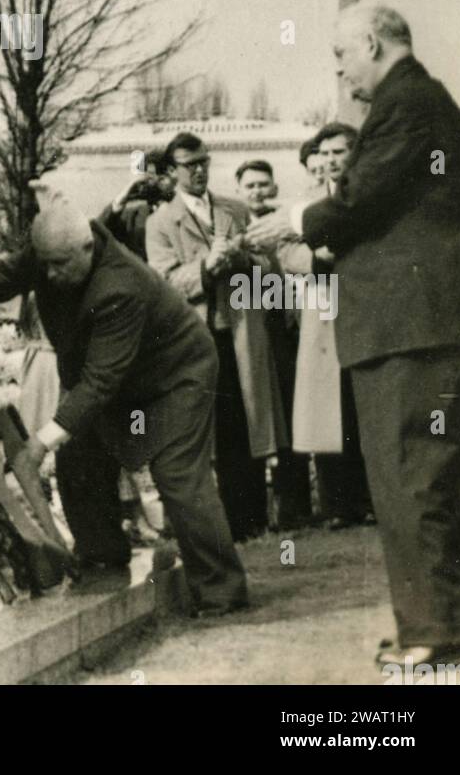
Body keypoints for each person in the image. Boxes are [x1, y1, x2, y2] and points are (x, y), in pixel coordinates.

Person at [248, 4, 460, 668]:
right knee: (425, 477)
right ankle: (437, 621)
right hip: (418, 323)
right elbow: (390, 217)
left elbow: (363, 196)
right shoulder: (422, 103)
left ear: (370, 43)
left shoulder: (407, 103)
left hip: (406, 328)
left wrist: (290, 221)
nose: (338, 69)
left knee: (409, 479)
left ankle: (432, 633)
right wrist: (317, 254)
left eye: (340, 56)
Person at [0, 189, 248, 615]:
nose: (50, 276)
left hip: (176, 374)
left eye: (60, 265)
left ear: (87, 249)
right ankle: (101, 554)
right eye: (45, 264)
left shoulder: (120, 287)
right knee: (79, 459)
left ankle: (222, 587)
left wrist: (38, 444)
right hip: (113, 377)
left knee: (178, 474)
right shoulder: (49, 249)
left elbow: (99, 383)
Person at [147, 133, 286, 541]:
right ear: (171, 172)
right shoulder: (160, 223)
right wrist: (207, 267)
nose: (200, 170)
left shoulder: (236, 209)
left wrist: (242, 259)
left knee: (247, 422)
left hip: (242, 332)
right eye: (190, 164)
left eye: (204, 161)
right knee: (211, 432)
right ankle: (221, 526)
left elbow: (271, 273)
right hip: (198, 340)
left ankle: (253, 521)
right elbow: (166, 283)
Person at [280, 124, 372, 529]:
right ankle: (338, 503)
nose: (333, 160)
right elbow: (284, 250)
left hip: (365, 307)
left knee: (362, 400)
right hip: (323, 305)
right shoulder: (305, 205)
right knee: (326, 402)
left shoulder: (370, 196)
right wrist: (320, 261)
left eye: (341, 151)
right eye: (327, 153)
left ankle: (370, 499)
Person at [235, 159, 312, 529]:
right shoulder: (237, 232)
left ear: (275, 188)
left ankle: (295, 507)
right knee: (254, 418)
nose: (258, 192)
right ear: (239, 192)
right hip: (251, 334)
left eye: (264, 184)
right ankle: (254, 512)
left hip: (285, 331)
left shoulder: (288, 229)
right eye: (250, 186)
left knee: (292, 416)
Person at [99, 148, 174, 260]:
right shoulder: (133, 215)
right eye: (147, 178)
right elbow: (99, 234)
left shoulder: (186, 207)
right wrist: (121, 199)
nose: (155, 183)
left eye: (162, 177)